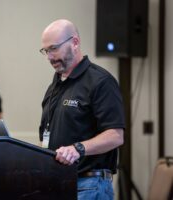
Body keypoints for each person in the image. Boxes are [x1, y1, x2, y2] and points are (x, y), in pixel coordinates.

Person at [39, 19, 125, 199]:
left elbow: (115, 135)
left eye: (54, 48)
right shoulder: (54, 86)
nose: (49, 57)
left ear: (75, 43)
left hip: (89, 187)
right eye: (46, 51)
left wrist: (78, 148)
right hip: (56, 183)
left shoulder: (100, 81)